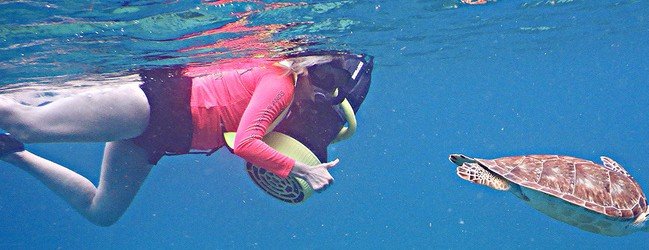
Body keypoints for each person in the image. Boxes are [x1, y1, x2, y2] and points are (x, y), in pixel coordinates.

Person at [0, 51, 373, 226]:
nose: (322, 93)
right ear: (306, 67)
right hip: (152, 107)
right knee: (26, 122)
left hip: (160, 137)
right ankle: (16, 137)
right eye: (322, 79)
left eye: (334, 90)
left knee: (103, 212)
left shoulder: (295, 101)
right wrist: (301, 171)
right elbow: (245, 144)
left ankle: (11, 154)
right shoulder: (281, 84)